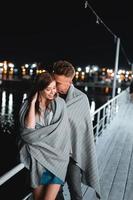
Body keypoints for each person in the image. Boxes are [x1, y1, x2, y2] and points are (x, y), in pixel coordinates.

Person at [18, 72, 71, 200]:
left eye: (54, 88)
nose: (52, 92)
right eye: (48, 89)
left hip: (56, 159)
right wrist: (32, 103)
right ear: (39, 89)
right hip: (38, 162)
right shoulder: (28, 105)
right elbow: (28, 132)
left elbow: (60, 133)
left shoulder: (59, 104)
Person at [52, 60, 101, 200]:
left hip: (73, 155)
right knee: (55, 192)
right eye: (54, 80)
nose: (54, 85)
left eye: (59, 83)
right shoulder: (49, 95)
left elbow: (83, 129)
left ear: (69, 81)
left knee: (76, 191)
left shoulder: (81, 99)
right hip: (54, 153)